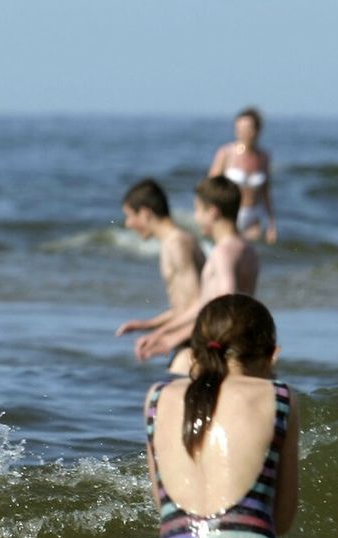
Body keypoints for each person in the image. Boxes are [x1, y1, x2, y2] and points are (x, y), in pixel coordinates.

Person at [142, 294, 300, 538]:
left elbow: (163, 510)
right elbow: (281, 520)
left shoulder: (157, 399)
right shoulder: (280, 398)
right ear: (271, 354)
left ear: (194, 350)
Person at [133, 176, 259, 373]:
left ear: (213, 212)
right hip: (239, 347)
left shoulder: (223, 253)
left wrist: (174, 338)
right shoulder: (247, 250)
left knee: (171, 391)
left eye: (198, 210)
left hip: (219, 351)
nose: (196, 217)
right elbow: (205, 304)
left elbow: (226, 304)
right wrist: (160, 332)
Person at [114, 179, 205, 346]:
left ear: (145, 213)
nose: (127, 224)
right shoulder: (173, 242)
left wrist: (159, 335)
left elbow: (198, 304)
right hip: (187, 336)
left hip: (195, 340)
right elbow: (183, 307)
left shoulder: (177, 243)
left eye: (129, 216)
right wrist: (146, 325)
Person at [208, 107, 277, 243]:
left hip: (254, 215)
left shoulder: (264, 157)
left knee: (250, 256)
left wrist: (271, 223)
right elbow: (210, 187)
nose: (242, 132)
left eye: (247, 128)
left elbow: (266, 192)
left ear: (257, 131)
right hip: (229, 215)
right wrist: (210, 214)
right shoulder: (226, 153)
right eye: (239, 128)